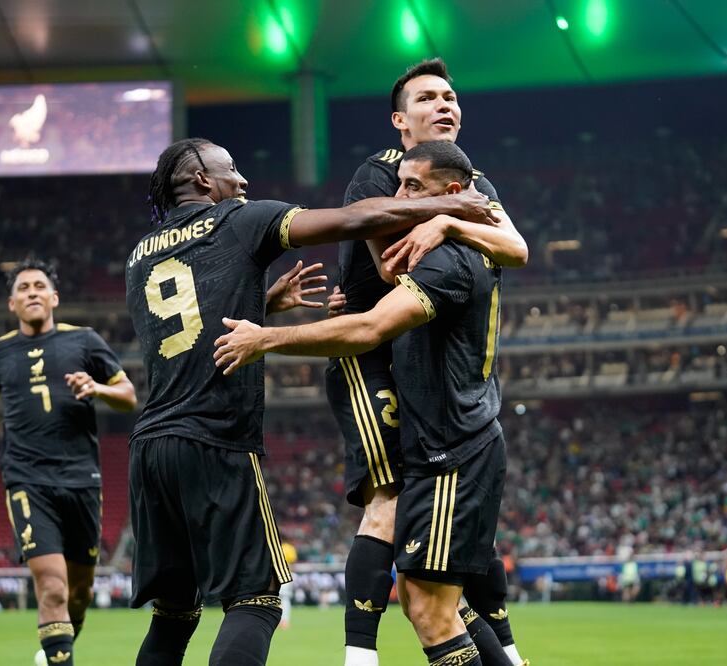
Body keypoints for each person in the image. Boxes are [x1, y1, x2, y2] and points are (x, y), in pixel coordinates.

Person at [125, 137, 496, 666]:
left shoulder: (140, 254)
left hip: (149, 447)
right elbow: (353, 219)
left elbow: (182, 333)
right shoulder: (239, 219)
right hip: (213, 439)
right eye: (231, 168)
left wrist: (260, 303)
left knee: (174, 614)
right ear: (203, 179)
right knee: (255, 603)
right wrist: (449, 206)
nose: (243, 180)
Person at [327, 57, 528, 666]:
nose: (446, 105)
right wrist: (448, 219)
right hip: (371, 353)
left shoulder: (474, 185)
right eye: (429, 98)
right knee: (388, 502)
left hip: (434, 364)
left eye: (451, 96)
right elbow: (394, 266)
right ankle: (359, 654)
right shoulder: (375, 176)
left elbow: (515, 247)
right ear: (400, 120)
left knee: (447, 536)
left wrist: (448, 218)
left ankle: (505, 651)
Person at [0, 259, 137, 666]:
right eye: (23, 288)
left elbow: (128, 394)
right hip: (27, 479)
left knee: (78, 593)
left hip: (81, 479)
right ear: (12, 303)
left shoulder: (86, 341)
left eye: (39, 286)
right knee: (53, 588)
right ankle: (60, 656)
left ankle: (57, 650)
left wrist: (96, 387)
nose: (32, 293)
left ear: (54, 297)